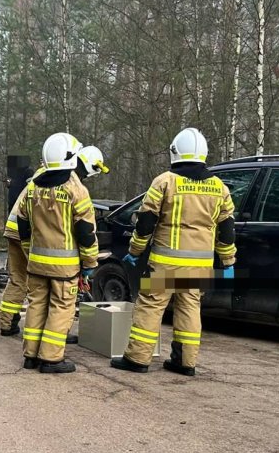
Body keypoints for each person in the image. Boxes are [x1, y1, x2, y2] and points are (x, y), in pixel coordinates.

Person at [111, 128, 236, 377]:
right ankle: (185, 362)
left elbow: (145, 222)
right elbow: (226, 230)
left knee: (150, 306)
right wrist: (228, 260)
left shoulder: (164, 182)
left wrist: (135, 250)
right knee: (190, 308)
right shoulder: (219, 188)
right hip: (199, 266)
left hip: (165, 264)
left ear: (175, 152)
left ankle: (137, 359)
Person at [15, 133, 100, 374]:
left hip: (36, 263)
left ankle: (31, 356)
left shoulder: (32, 186)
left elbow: (22, 223)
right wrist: (90, 263)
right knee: (61, 308)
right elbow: (86, 232)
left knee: (36, 305)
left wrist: (28, 252)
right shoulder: (76, 190)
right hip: (64, 267)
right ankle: (51, 359)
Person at [0, 163, 45, 337]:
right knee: (40, 282)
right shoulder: (57, 180)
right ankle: (44, 327)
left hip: (13, 228)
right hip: (26, 233)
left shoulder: (38, 177)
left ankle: (7, 323)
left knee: (17, 279)